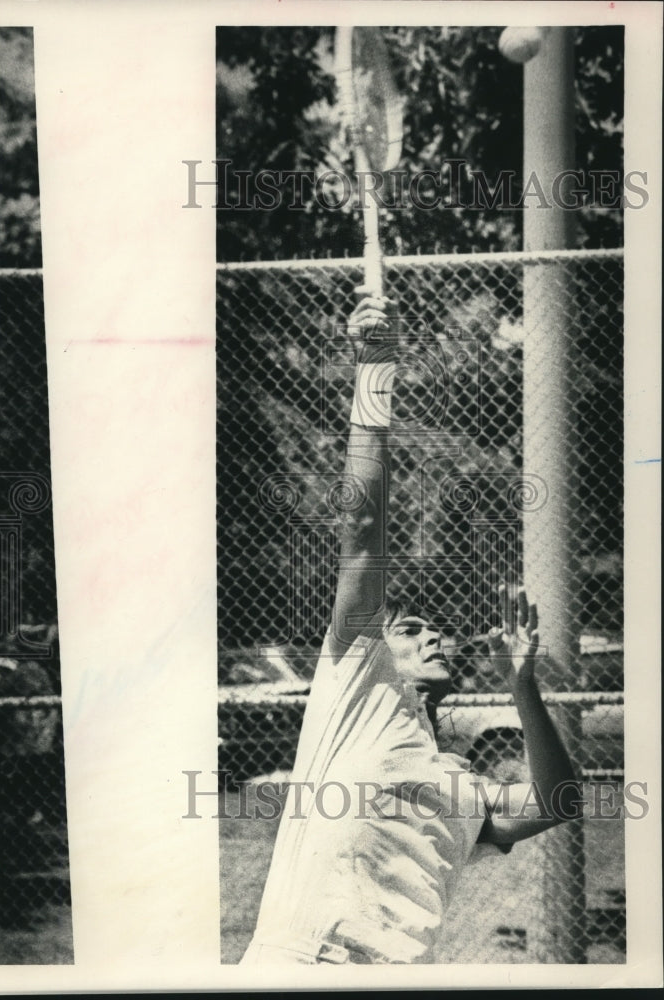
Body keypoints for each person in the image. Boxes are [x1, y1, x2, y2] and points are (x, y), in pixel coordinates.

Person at [239, 290, 579, 965]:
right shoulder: (355, 692)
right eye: (412, 627)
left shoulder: (460, 783)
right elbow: (363, 530)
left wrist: (523, 687)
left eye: (436, 630)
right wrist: (374, 373)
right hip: (302, 966)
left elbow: (557, 801)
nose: (433, 636)